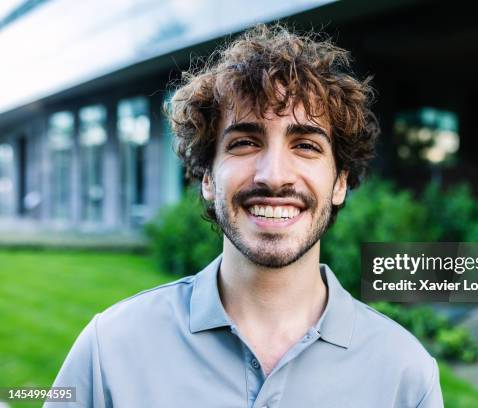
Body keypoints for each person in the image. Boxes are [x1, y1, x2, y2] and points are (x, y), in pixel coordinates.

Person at [46, 24, 443, 408]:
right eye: (245, 142)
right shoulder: (110, 348)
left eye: (305, 145)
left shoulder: (405, 374)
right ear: (206, 177)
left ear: (340, 182)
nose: (274, 176)